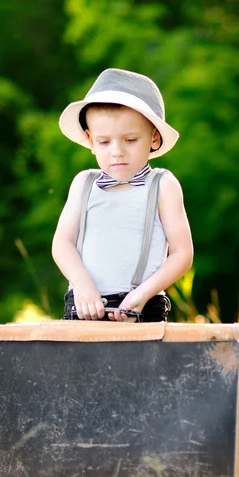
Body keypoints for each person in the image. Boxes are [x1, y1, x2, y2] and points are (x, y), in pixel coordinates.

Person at [52, 68, 193, 322]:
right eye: (104, 142)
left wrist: (141, 296)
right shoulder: (84, 183)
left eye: (130, 140)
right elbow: (62, 244)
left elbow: (182, 254)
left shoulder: (162, 185)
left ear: (153, 137)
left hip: (142, 305)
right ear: (90, 140)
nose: (117, 151)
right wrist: (81, 284)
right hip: (84, 304)